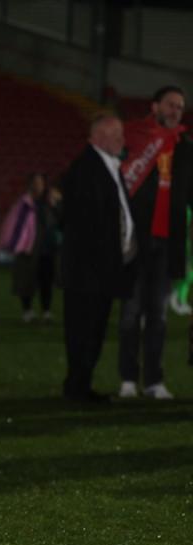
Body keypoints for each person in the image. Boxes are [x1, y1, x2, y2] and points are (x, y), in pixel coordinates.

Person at [117, 86, 192, 400]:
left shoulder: (186, 147)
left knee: (158, 317)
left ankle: (154, 381)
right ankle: (128, 380)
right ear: (155, 105)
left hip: (166, 243)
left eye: (180, 107)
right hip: (136, 241)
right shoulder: (135, 136)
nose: (176, 110)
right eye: (171, 105)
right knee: (130, 313)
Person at [59, 114, 135, 403]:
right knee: (83, 331)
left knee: (92, 330)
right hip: (87, 273)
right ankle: (77, 388)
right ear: (100, 137)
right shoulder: (86, 168)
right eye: (117, 136)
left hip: (98, 271)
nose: (122, 141)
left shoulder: (105, 165)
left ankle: (81, 385)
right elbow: (84, 224)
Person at [0, 173, 59, 322]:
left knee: (46, 281)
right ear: (30, 184)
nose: (39, 186)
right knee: (26, 281)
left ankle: (46, 311)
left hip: (46, 249)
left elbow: (57, 221)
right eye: (36, 182)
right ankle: (27, 311)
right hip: (28, 249)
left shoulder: (48, 203)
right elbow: (14, 224)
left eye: (41, 183)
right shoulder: (24, 204)